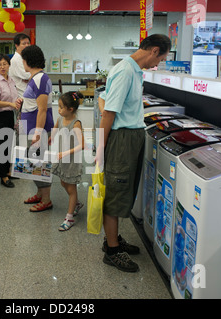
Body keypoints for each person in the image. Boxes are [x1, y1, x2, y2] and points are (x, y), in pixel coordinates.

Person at [96, 34, 171, 272]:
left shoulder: (134, 71)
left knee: (124, 189)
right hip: (122, 139)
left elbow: (103, 99)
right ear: (154, 51)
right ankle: (112, 249)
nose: (158, 64)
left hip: (131, 137)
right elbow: (109, 113)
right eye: (161, 58)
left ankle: (114, 238)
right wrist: (100, 148)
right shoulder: (126, 71)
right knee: (116, 192)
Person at [19, 45, 54, 212]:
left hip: (37, 130)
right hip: (32, 128)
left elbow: (42, 109)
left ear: (27, 61)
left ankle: (46, 199)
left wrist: (38, 133)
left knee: (39, 163)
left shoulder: (40, 79)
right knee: (34, 162)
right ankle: (40, 193)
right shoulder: (36, 78)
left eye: (23, 60)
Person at [49, 91, 85, 231]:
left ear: (70, 109)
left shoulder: (76, 124)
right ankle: (75, 204)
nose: (59, 110)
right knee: (64, 182)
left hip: (71, 160)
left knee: (71, 188)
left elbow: (82, 145)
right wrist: (49, 139)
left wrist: (65, 153)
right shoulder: (60, 119)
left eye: (61, 107)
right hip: (61, 158)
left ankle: (69, 217)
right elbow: (55, 130)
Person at [0, 53, 21, 188]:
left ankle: (8, 170)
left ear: (9, 65)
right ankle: (3, 176)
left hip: (8, 115)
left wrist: (17, 101)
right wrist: (11, 105)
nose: (2, 67)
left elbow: (12, 97)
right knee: (0, 146)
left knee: (8, 145)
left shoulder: (10, 80)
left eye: (5, 64)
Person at [9, 33, 31, 98]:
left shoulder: (24, 58)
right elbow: (27, 76)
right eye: (24, 44)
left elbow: (30, 76)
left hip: (27, 94)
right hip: (22, 96)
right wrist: (30, 76)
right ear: (16, 45)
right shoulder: (16, 59)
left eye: (28, 43)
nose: (27, 45)